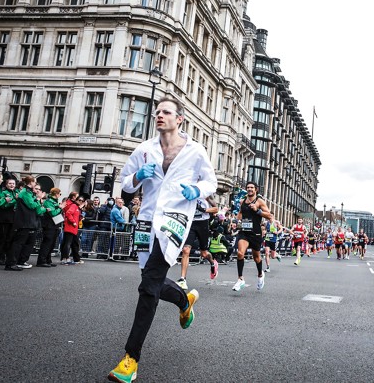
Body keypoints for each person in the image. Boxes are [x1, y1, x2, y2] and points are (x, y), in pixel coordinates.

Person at [109, 96, 216, 383]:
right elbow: (126, 182)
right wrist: (137, 177)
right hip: (146, 220)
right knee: (150, 279)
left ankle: (130, 359)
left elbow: (211, 182)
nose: (159, 115)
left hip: (174, 222)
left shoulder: (195, 151)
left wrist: (196, 190)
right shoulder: (144, 149)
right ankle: (184, 300)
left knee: (148, 287)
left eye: (166, 112)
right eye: (157, 112)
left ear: (179, 118)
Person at [232, 181, 271, 292]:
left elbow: (269, 215)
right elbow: (240, 213)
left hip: (256, 233)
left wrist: (258, 211)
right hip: (244, 231)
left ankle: (260, 275)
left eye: (252, 187)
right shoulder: (242, 201)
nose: (249, 189)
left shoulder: (259, 201)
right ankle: (240, 279)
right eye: (248, 187)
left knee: (256, 257)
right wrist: (236, 221)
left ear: (255, 189)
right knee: (240, 253)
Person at [177, 195, 219, 290]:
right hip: (190, 223)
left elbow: (216, 209)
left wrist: (203, 209)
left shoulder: (206, 193)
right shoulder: (187, 191)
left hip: (202, 223)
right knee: (186, 250)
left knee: (203, 253)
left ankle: (213, 262)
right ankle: (182, 279)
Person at [5, 176, 46, 271]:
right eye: (35, 182)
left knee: (22, 243)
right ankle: (11, 263)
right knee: (18, 243)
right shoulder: (25, 192)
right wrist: (38, 199)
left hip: (27, 221)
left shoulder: (28, 192)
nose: (35, 184)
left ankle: (16, 262)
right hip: (23, 221)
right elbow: (31, 205)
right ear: (31, 183)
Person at [0, 177, 17, 265]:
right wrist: (15, 200)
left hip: (12, 219)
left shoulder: (15, 193)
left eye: (13, 184)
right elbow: (4, 205)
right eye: (10, 183)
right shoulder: (3, 192)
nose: (12, 185)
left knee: (9, 240)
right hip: (3, 219)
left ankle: (5, 257)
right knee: (1, 239)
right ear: (6, 185)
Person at [37, 187, 63, 267]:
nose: (60, 195)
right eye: (60, 194)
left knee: (51, 244)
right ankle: (42, 260)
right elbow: (53, 213)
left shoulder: (55, 201)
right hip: (48, 225)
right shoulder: (48, 201)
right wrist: (60, 208)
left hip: (55, 224)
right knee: (47, 243)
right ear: (56, 194)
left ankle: (48, 260)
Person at [60, 192, 84, 265]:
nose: (81, 202)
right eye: (79, 200)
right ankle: (65, 258)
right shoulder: (73, 205)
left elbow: (74, 215)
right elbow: (68, 213)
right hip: (70, 227)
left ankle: (73, 258)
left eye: (82, 201)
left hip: (73, 228)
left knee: (73, 243)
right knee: (67, 243)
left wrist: (79, 218)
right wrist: (73, 222)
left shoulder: (76, 207)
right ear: (76, 200)